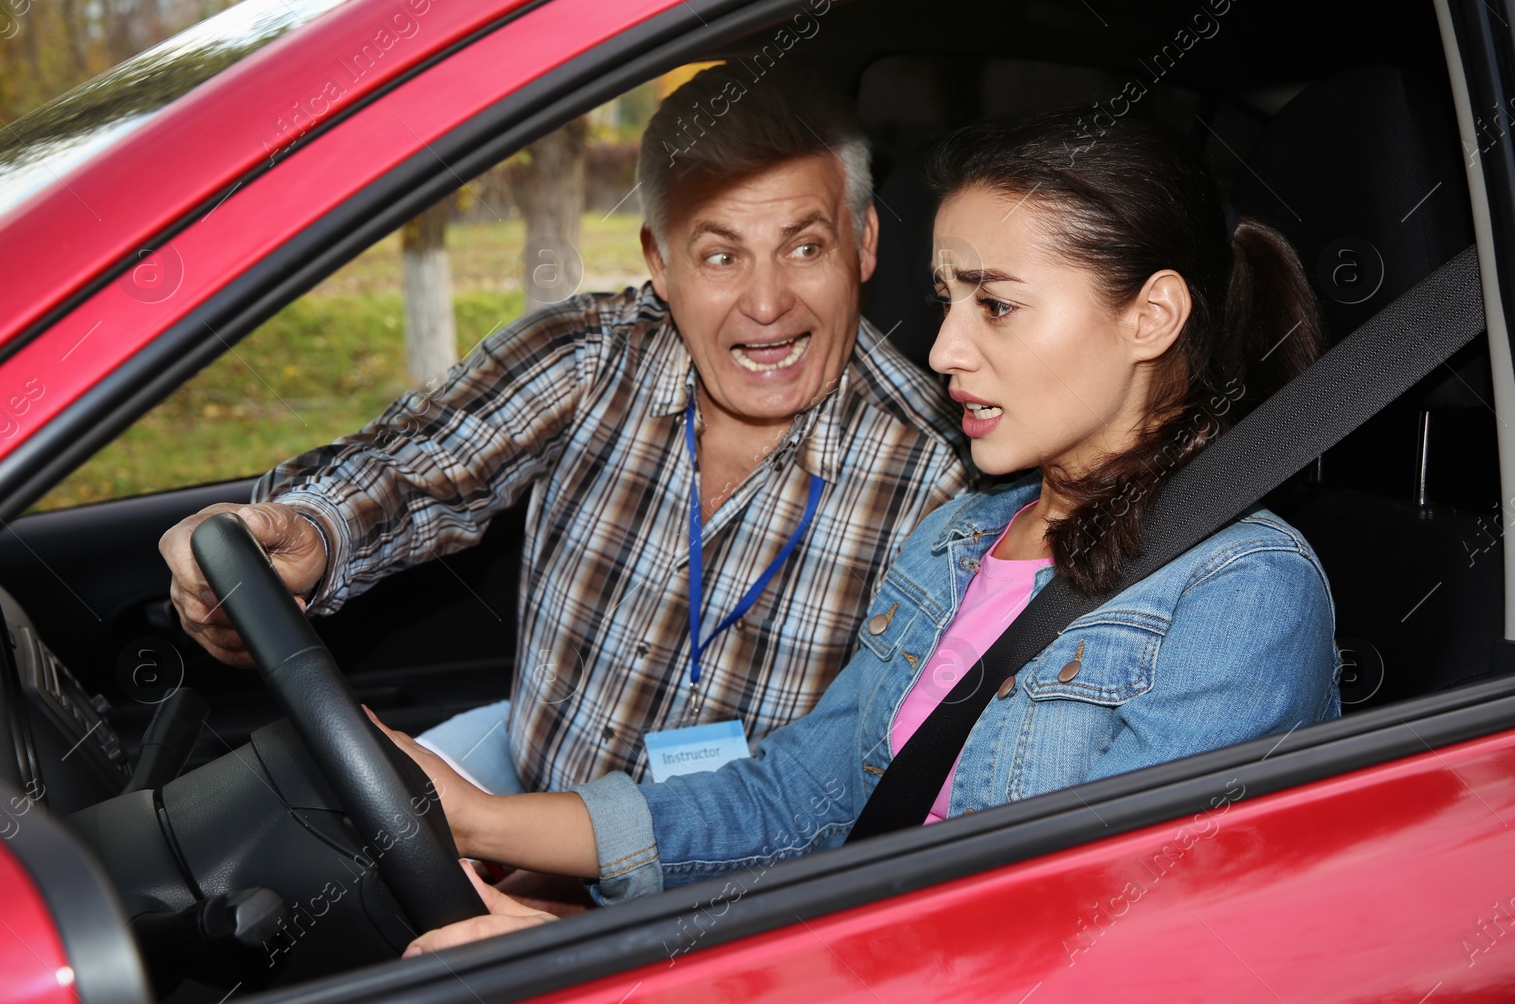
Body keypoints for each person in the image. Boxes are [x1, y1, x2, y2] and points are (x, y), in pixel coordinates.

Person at [374, 108, 1343, 954]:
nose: (943, 348)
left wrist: (655, 976)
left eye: (995, 304)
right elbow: (796, 797)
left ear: (1151, 316)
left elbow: (1093, 937)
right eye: (947, 297)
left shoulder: (1239, 591)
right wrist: (481, 817)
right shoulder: (956, 537)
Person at [158, 66, 973, 804]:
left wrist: (587, 887)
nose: (766, 304)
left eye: (804, 246)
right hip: (524, 768)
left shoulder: (942, 475)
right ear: (660, 262)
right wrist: (309, 529)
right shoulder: (591, 355)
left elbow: (872, 786)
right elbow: (418, 463)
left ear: (863, 245)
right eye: (720, 256)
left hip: (727, 884)